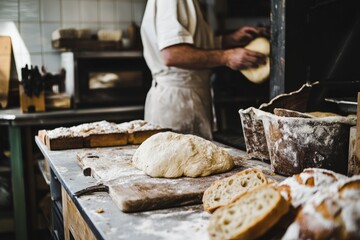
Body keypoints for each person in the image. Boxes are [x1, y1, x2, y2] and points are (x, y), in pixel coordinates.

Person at [140, 0, 268, 140]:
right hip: (178, 102)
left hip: (188, 97)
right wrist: (226, 57)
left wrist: (227, 40)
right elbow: (172, 54)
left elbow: (191, 43)